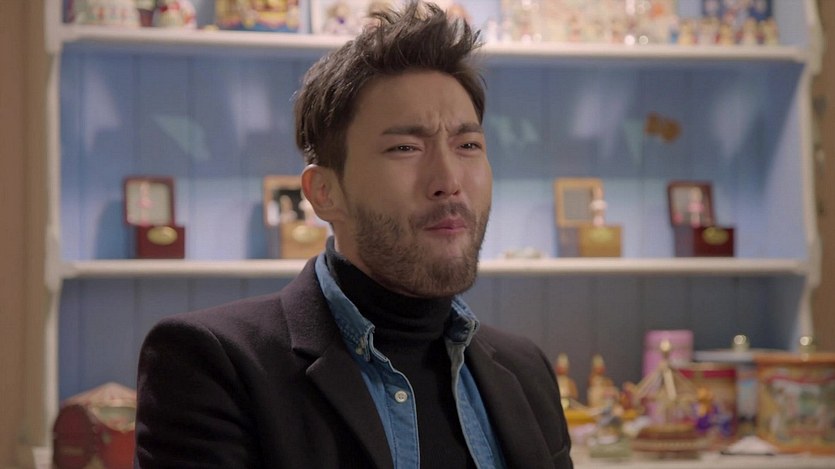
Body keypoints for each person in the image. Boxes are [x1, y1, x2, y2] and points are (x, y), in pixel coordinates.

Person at [134, 2, 572, 467]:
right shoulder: (214, 364)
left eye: (468, 145)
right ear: (324, 193)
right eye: (405, 147)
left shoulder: (526, 370)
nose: (449, 180)